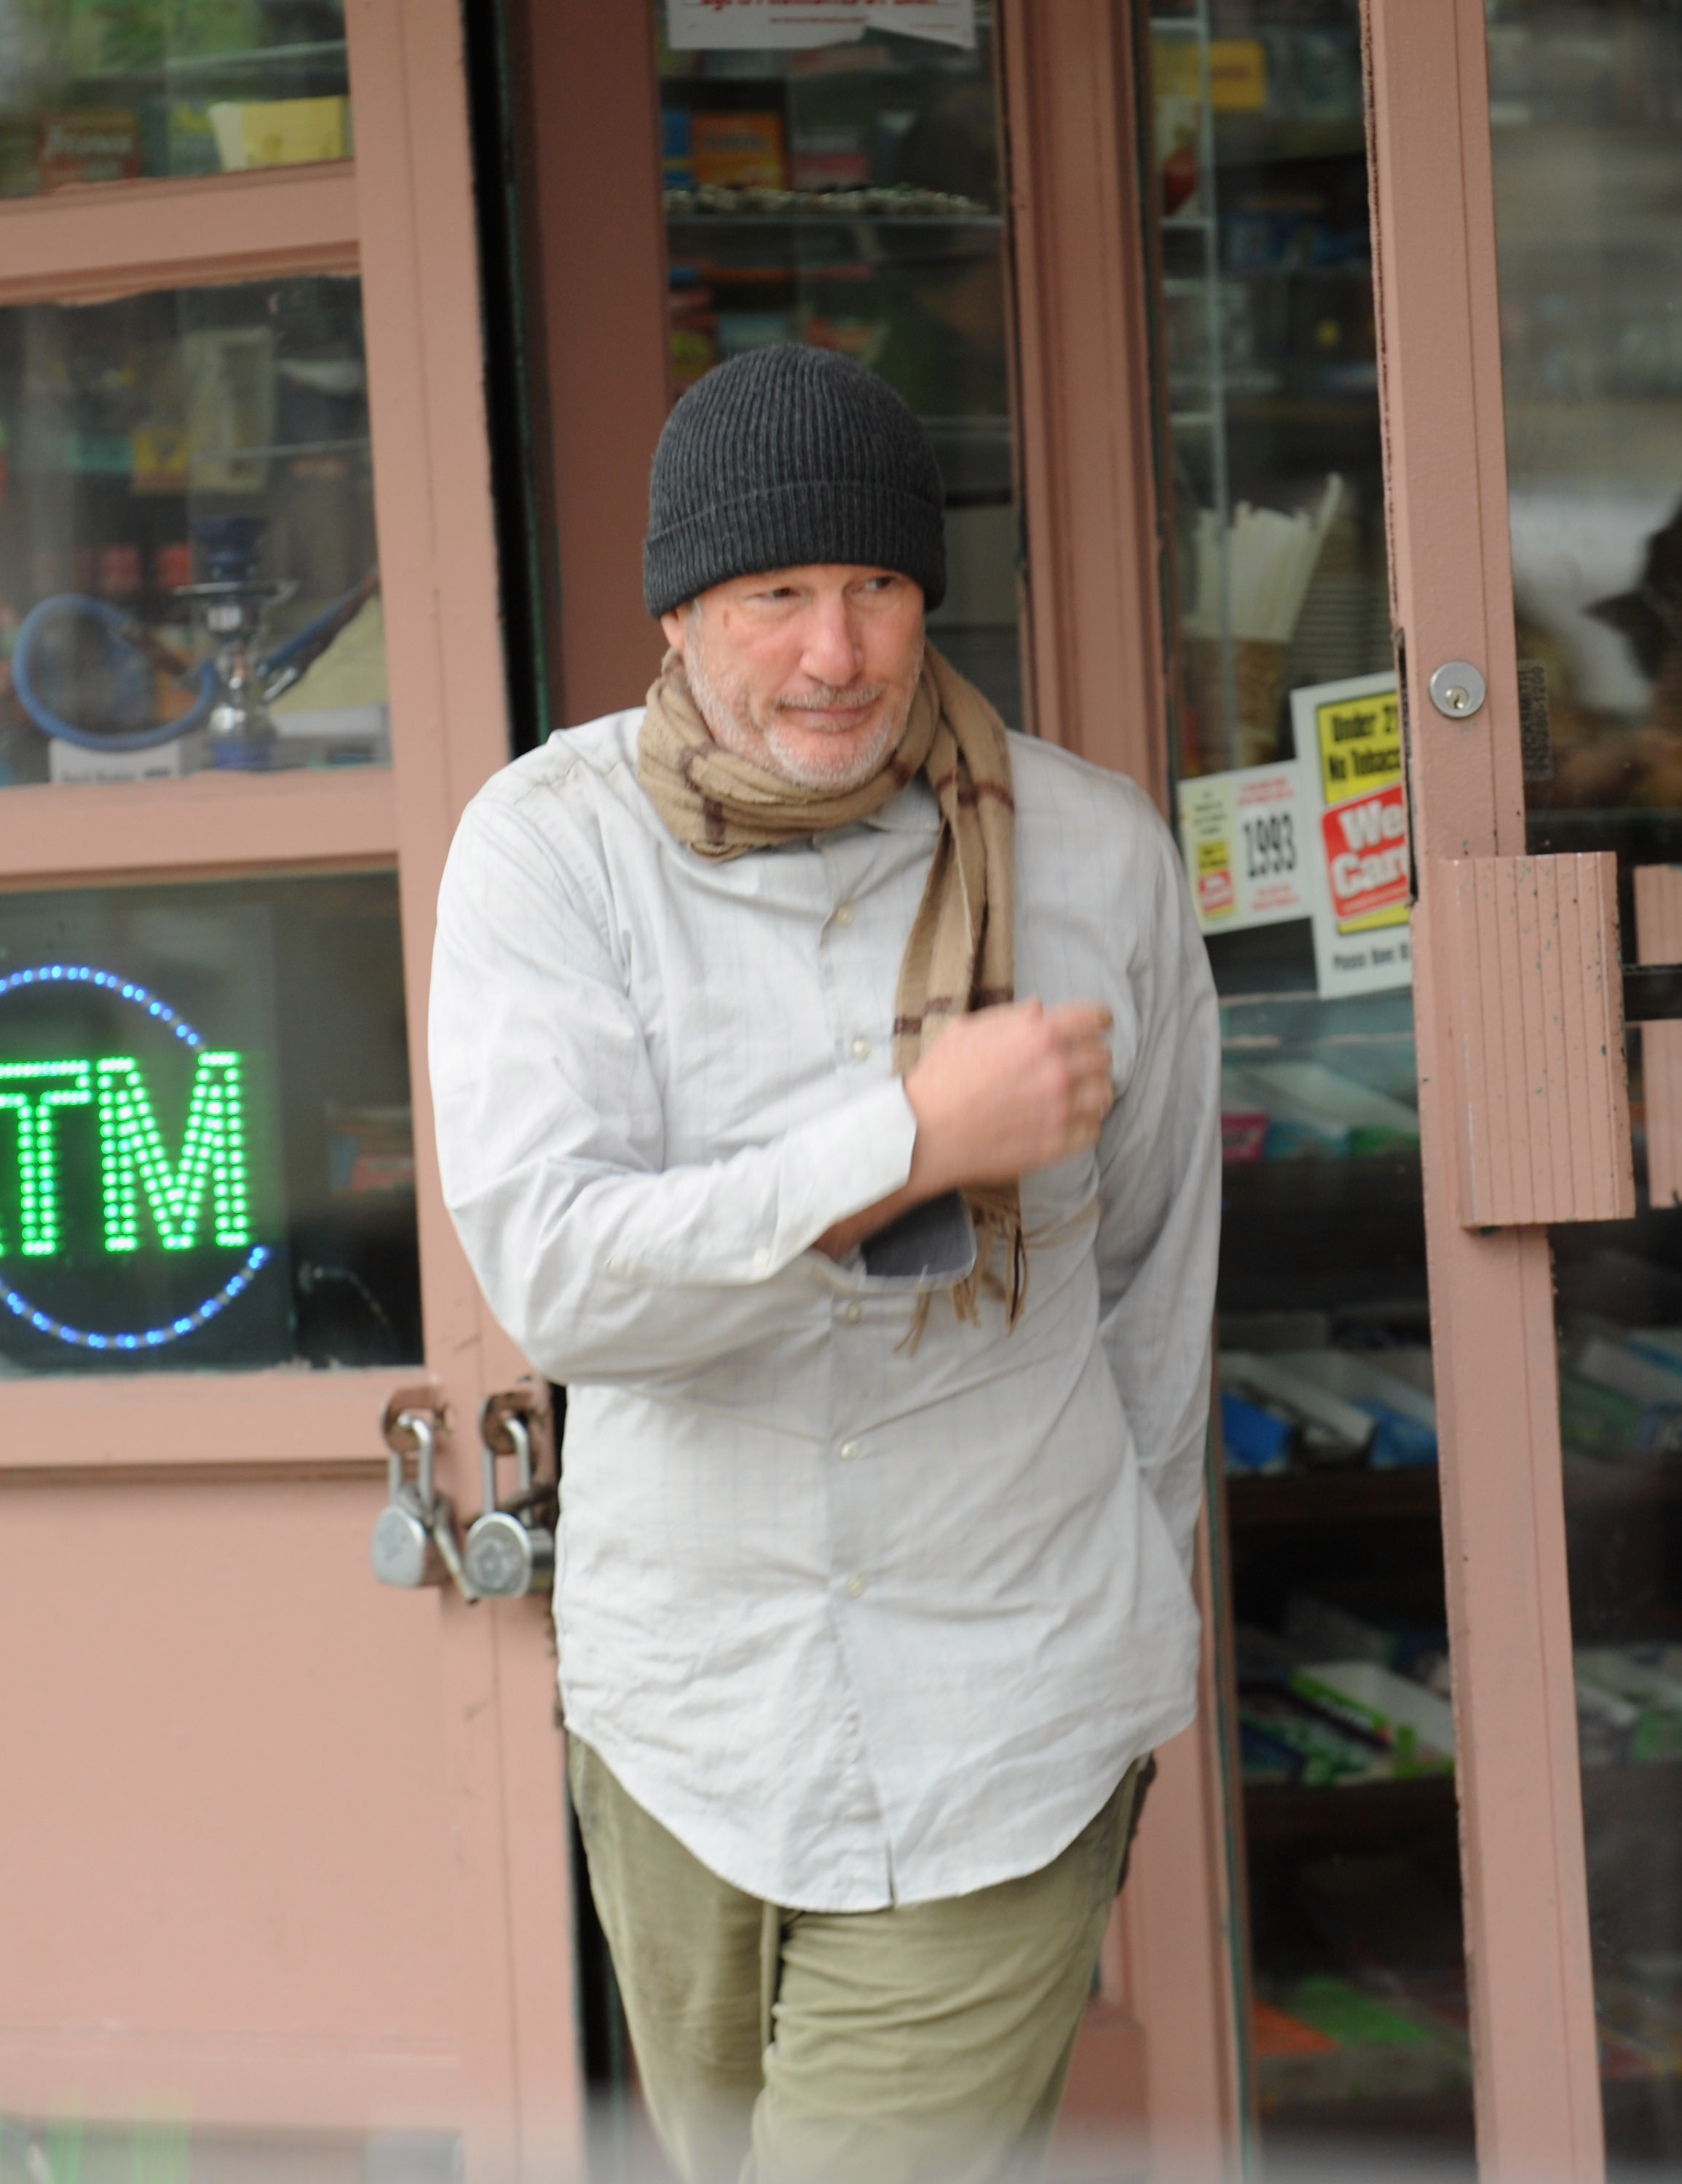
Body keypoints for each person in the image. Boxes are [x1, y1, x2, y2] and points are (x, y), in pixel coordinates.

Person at [429, 344, 1220, 2184]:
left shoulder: (1093, 854)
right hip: (689, 1711)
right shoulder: (552, 858)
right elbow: (560, 1278)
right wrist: (908, 1148)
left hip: (1011, 1704)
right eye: (778, 594)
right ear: (683, 608)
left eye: (875, 589)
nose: (838, 653)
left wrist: (1121, 1592)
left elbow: (1161, 1274)